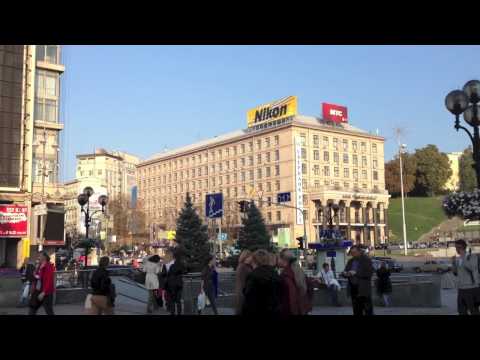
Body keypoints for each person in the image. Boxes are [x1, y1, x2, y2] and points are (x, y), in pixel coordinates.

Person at [242, 249, 282, 316]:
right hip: (273, 310)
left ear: (255, 260)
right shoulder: (275, 274)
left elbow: (248, 296)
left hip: (257, 310)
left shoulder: (253, 275)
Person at [341, 245, 374, 316]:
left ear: (359, 252)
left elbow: (369, 273)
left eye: (354, 252)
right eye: (351, 253)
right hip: (353, 289)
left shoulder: (366, 260)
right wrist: (344, 273)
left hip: (363, 289)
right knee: (356, 310)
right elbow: (345, 271)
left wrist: (356, 273)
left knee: (368, 310)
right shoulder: (350, 261)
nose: (353, 254)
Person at [451, 239, 479, 315]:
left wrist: (464, 257)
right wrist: (453, 263)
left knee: (474, 311)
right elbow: (455, 273)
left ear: (462, 247)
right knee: (461, 311)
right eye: (456, 248)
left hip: (472, 289)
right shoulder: (459, 259)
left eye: (457, 247)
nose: (456, 249)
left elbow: (471, 268)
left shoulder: (472, 256)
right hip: (461, 289)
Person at [160, 248, 185, 315]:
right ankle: (177, 313)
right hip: (177, 284)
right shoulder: (178, 263)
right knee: (177, 300)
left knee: (173, 300)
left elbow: (163, 274)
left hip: (171, 284)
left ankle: (173, 312)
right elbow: (183, 272)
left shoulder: (167, 263)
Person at [234, 250, 253, 315]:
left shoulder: (242, 266)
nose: (252, 258)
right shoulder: (243, 267)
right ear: (246, 257)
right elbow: (242, 281)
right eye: (250, 257)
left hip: (241, 292)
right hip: (243, 292)